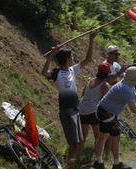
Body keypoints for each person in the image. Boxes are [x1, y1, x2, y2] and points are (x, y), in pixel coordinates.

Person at [41, 31, 98, 169]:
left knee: (78, 142)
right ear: (66, 59)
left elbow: (88, 59)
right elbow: (44, 73)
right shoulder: (56, 72)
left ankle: (72, 164)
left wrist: (91, 40)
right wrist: (51, 56)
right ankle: (70, 166)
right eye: (71, 56)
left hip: (76, 110)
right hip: (67, 111)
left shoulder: (72, 70)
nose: (73, 58)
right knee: (74, 143)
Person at [93, 66, 136, 169]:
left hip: (104, 111)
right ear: (134, 79)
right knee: (115, 136)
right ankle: (116, 164)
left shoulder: (128, 85)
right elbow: (134, 109)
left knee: (103, 136)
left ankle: (99, 162)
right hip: (106, 113)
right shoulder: (126, 89)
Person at [78, 63, 111, 155]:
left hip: (82, 110)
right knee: (99, 136)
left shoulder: (90, 81)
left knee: (83, 136)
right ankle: (99, 157)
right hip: (93, 111)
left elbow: (83, 95)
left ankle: (77, 157)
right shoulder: (105, 85)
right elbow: (106, 101)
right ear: (107, 73)